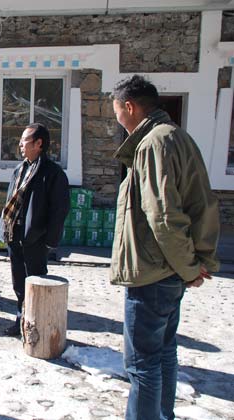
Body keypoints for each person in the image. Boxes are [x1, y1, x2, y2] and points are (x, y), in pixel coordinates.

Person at [110, 75, 220, 420]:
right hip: (167, 270)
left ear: (129, 107)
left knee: (142, 364)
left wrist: (190, 268)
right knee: (163, 354)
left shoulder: (153, 143)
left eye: (116, 110)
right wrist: (190, 265)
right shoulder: (176, 136)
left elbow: (164, 217)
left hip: (152, 272)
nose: (116, 118)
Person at [0, 123, 70, 337]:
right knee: (19, 283)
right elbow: (10, 201)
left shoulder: (53, 173)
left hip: (35, 238)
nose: (20, 144)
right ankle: (20, 320)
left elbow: (59, 210)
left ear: (39, 143)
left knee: (36, 282)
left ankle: (38, 324)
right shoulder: (19, 169)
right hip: (15, 235)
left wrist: (50, 241)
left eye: (24, 140)